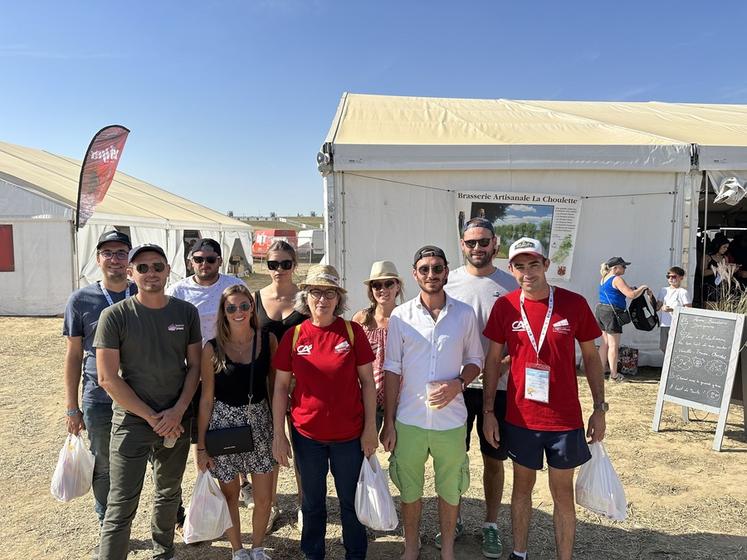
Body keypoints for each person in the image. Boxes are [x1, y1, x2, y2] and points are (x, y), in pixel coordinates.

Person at [482, 237, 607, 560]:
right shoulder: (505, 306)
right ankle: (519, 553)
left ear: (546, 265)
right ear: (510, 269)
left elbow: (592, 358)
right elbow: (493, 361)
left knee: (561, 493)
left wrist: (599, 408)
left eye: (533, 264)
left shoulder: (574, 303)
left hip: (564, 419)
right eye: (519, 266)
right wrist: (488, 412)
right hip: (521, 418)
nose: (527, 272)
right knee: (521, 489)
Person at [94, 244, 202, 560]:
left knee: (169, 494)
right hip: (131, 422)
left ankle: (163, 553)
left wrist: (178, 411)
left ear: (169, 270)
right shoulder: (114, 316)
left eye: (157, 266)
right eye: (142, 268)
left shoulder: (186, 312)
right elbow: (108, 378)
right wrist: (154, 417)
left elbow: (195, 366)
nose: (151, 273)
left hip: (177, 422)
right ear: (131, 273)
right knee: (122, 503)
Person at [380, 246, 483, 560]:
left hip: (450, 422)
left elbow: (476, 360)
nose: (431, 275)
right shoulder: (401, 316)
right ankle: (411, 547)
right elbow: (392, 370)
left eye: (437, 268)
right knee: (410, 490)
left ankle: (448, 549)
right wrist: (389, 421)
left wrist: (459, 383)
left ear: (446, 272)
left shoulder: (464, 314)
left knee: (449, 490)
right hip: (409, 421)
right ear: (414, 274)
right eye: (424, 269)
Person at [272, 264, 378, 560]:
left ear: (338, 298)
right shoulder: (293, 336)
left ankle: (355, 554)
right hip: (307, 436)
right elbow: (280, 388)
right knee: (313, 503)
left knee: (350, 502)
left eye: (329, 292)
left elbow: (368, 383)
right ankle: (312, 554)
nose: (322, 298)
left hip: (349, 436)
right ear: (305, 296)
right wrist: (279, 435)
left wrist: (370, 428)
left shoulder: (351, 331)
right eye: (316, 291)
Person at [443, 217, 518, 558]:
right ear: (462, 245)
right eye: (471, 243)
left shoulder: (511, 284)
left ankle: (490, 524)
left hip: (499, 389)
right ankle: (453, 517)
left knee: (493, 459)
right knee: (453, 459)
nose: (477, 248)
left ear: (495, 244)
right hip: (456, 387)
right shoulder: (447, 282)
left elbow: (521, 337)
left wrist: (498, 366)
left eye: (483, 242)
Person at [167, 237, 245, 530]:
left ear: (219, 262)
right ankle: (177, 505)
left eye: (210, 259)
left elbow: (245, 319)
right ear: (190, 262)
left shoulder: (232, 284)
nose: (204, 264)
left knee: (227, 434)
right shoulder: (178, 290)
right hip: (188, 374)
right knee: (184, 443)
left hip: (225, 370)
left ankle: (236, 486)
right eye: (198, 259)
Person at [63, 230, 136, 535]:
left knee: (155, 461)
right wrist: (71, 408)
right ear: (97, 259)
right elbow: (73, 355)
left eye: (121, 253)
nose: (115, 259)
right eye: (108, 253)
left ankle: (173, 516)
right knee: (103, 463)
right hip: (100, 397)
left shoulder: (144, 291)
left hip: (144, 396)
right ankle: (108, 524)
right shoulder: (80, 299)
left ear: (130, 258)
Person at [197, 285, 276, 560]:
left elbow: (276, 387)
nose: (239, 312)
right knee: (229, 495)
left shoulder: (268, 341)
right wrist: (201, 446)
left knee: (264, 497)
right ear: (223, 312)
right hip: (223, 426)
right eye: (231, 308)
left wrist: (280, 433)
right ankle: (237, 550)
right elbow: (206, 399)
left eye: (244, 306)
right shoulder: (212, 348)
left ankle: (256, 547)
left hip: (261, 425)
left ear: (252, 308)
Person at [254, 240, 307, 527]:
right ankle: (270, 504)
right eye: (273, 264)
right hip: (265, 385)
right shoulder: (254, 298)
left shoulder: (306, 299)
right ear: (266, 265)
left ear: (294, 265)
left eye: (285, 264)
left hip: (301, 386)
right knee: (269, 448)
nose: (279, 269)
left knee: (301, 448)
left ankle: (303, 504)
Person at [352, 260, 404, 431]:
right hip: (367, 396)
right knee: (365, 450)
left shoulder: (407, 318)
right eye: (377, 285)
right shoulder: (360, 319)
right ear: (371, 290)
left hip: (400, 397)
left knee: (400, 450)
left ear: (397, 286)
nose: (383, 289)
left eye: (389, 283)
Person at [595, 256, 648, 382]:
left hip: (601, 310)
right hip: (612, 312)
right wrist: (643, 287)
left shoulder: (604, 278)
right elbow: (631, 295)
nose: (625, 268)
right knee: (613, 345)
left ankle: (599, 371)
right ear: (615, 268)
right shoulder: (617, 279)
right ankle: (614, 375)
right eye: (623, 266)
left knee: (604, 344)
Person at [656, 266, 692, 353]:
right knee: (663, 347)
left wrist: (672, 310)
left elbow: (689, 310)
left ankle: (670, 366)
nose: (671, 279)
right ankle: (666, 365)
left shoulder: (683, 292)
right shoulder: (663, 290)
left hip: (676, 323)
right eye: (668, 276)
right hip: (665, 323)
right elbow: (657, 307)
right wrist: (650, 296)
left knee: (674, 348)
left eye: (674, 276)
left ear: (681, 278)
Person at [701, 234, 731, 302]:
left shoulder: (725, 258)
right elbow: (703, 273)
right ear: (717, 246)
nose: (726, 249)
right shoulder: (707, 257)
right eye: (724, 247)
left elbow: (726, 274)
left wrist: (731, 270)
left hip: (721, 287)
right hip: (709, 286)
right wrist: (717, 269)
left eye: (727, 248)